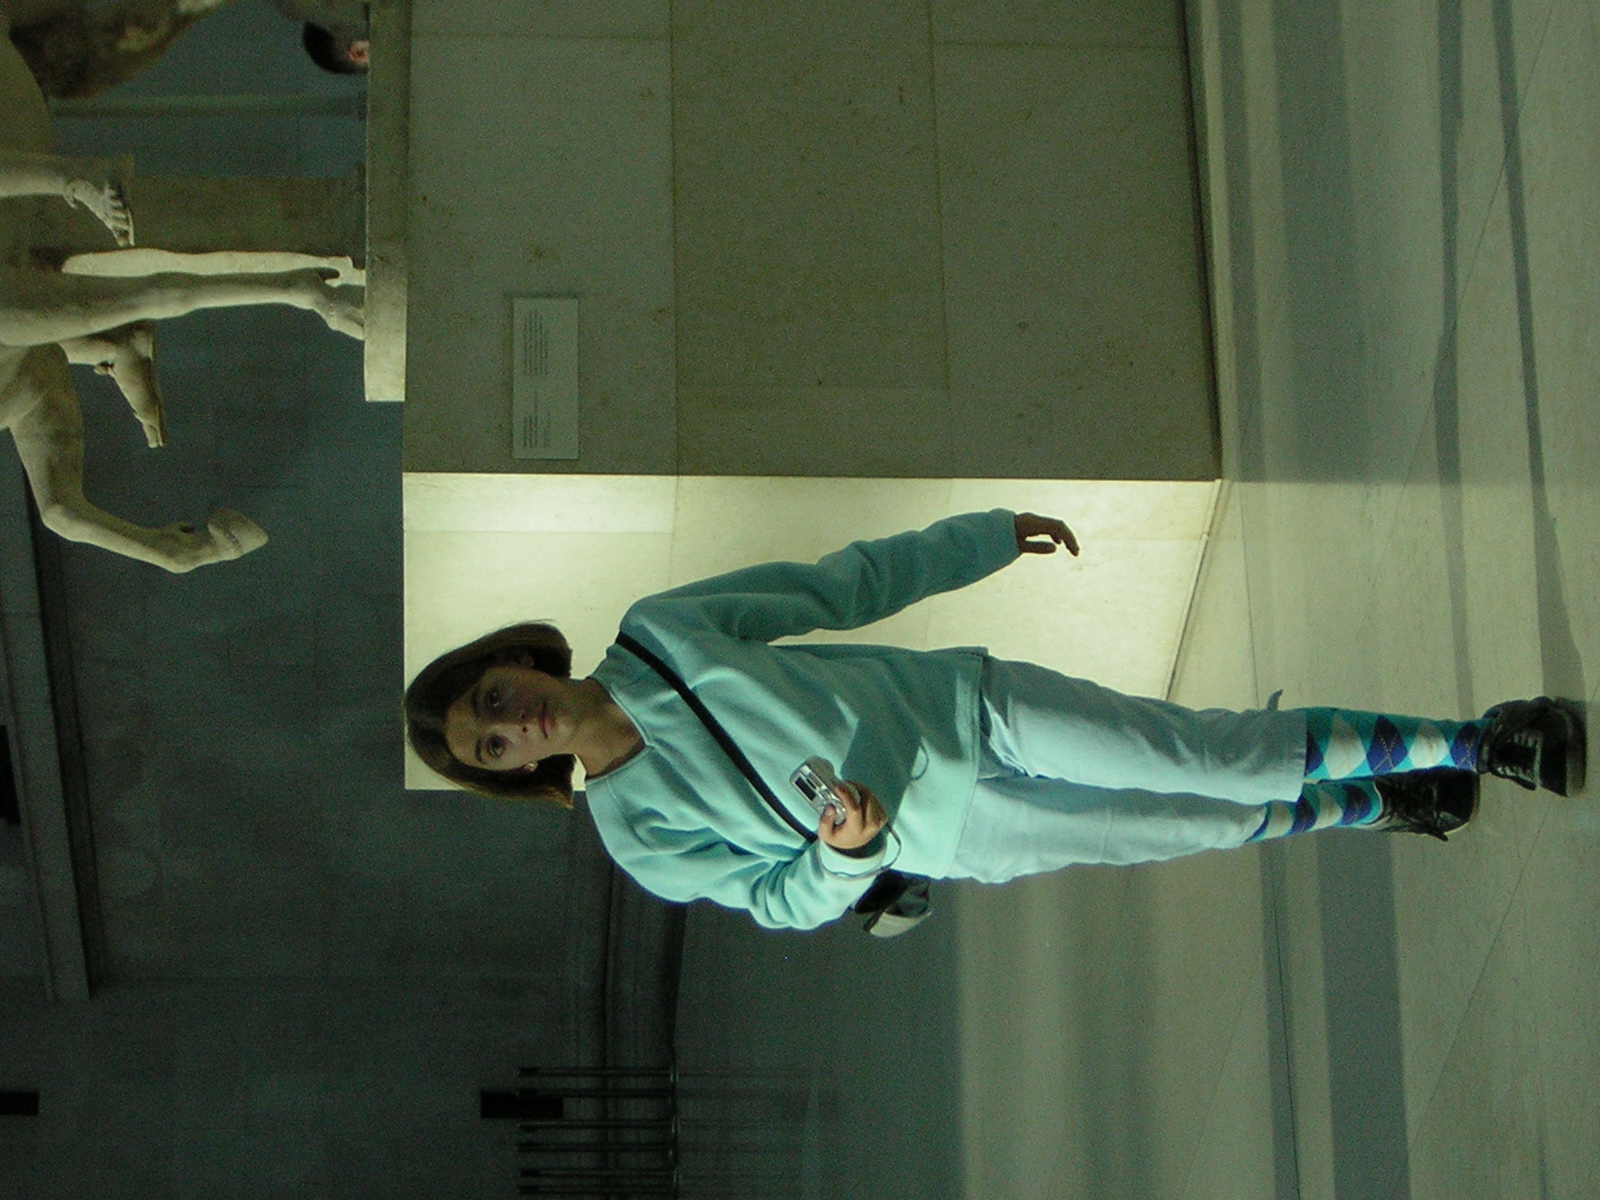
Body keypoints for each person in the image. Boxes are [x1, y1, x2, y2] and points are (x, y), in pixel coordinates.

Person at [404, 510, 1586, 930]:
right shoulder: (636, 833)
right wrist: (844, 855)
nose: (518, 725)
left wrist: (975, 541)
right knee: (1196, 824)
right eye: (493, 746)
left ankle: (1476, 740)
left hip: (975, 711)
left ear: (514, 660)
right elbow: (774, 902)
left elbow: (834, 587)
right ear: (510, 773)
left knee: (1208, 755)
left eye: (494, 700)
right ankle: (1374, 804)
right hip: (956, 832)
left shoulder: (661, 631)